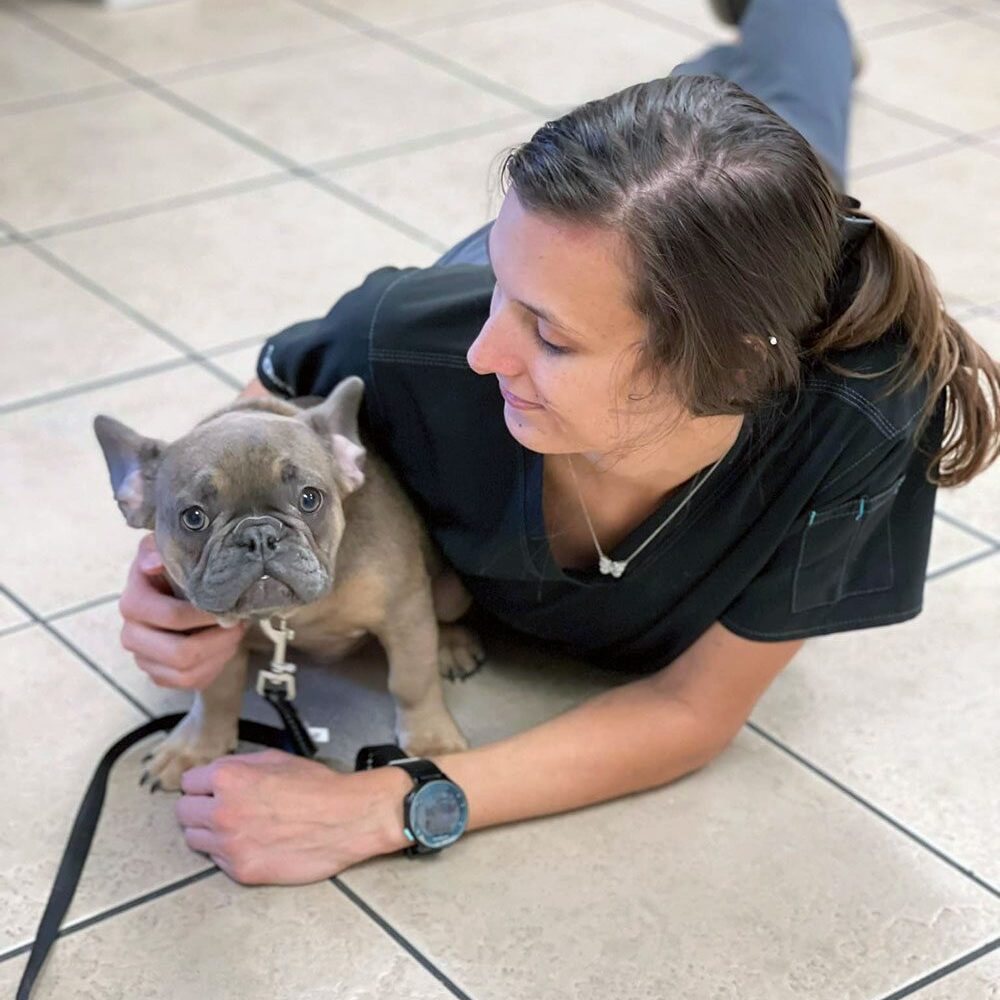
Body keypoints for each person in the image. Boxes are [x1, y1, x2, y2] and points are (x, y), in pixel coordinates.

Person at [117, 0, 999, 886]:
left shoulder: (861, 413)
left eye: (552, 335)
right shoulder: (410, 337)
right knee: (688, 167)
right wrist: (165, 584)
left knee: (801, 115)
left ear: (723, 362)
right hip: (545, 273)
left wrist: (392, 803)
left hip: (755, 281)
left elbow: (693, 711)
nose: (483, 353)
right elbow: (250, 427)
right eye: (504, 291)